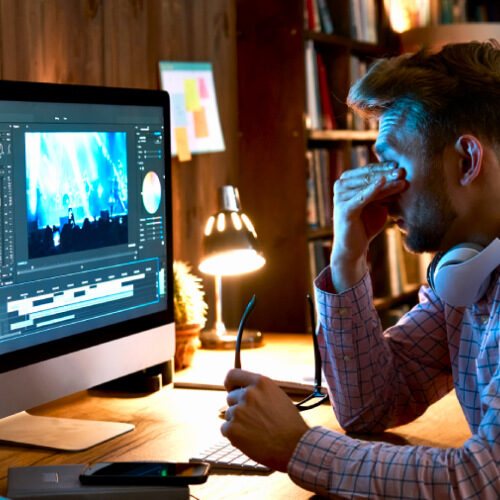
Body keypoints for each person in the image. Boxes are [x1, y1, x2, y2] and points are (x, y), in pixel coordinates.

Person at [221, 40, 500, 498]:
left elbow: (480, 481)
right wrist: (347, 259)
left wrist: (297, 447)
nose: (381, 194)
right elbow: (371, 406)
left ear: (466, 161)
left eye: (392, 165)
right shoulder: (466, 272)